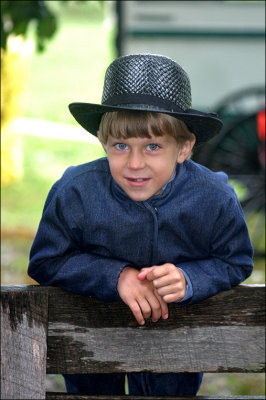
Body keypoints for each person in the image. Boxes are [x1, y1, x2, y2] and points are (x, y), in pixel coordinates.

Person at [28, 54, 253, 396]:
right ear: (103, 142)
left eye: (152, 146)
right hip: (89, 347)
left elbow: (234, 261)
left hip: (177, 355)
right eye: (120, 146)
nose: (134, 164)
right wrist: (116, 276)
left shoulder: (214, 197)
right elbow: (46, 261)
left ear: (184, 147)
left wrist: (190, 278)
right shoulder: (75, 191)